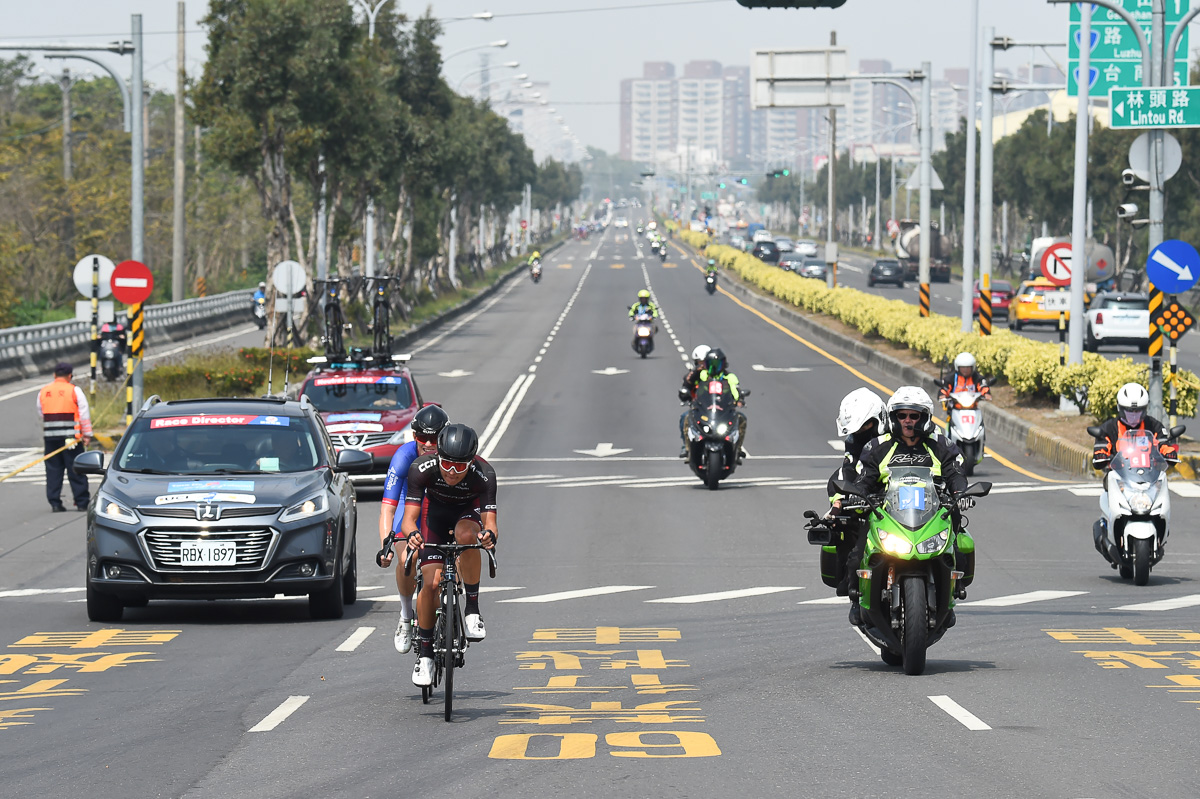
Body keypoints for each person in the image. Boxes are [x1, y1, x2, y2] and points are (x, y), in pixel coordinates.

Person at [850, 386, 967, 626]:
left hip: (932, 512)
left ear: (924, 418)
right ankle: (856, 596)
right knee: (858, 544)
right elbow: (863, 479)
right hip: (887, 513)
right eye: (902, 415)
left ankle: (954, 587)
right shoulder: (876, 447)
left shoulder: (942, 444)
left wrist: (960, 493)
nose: (908, 421)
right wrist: (858, 495)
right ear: (893, 418)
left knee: (959, 531)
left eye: (914, 416)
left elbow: (956, 474)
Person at [395, 424, 497, 688]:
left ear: (471, 462)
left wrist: (488, 536)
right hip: (434, 516)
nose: (452, 472)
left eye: (460, 467)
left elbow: (491, 524)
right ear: (438, 456)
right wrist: (413, 534)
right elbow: (409, 520)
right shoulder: (421, 468)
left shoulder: (484, 474)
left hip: (467, 513)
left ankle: (472, 609)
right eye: (447, 464)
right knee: (430, 583)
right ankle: (426, 655)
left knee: (467, 536)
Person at [378, 404, 449, 654]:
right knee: (409, 557)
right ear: (414, 436)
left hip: (442, 513)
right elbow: (388, 507)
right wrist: (386, 545)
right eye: (423, 438)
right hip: (411, 515)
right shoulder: (404, 456)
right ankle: (406, 617)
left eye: (435, 438)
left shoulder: (452, 453)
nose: (429, 444)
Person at [1090, 383, 1179, 559]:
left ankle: (1161, 531)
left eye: (1137, 411)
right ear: (1120, 409)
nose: (1133, 416)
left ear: (1144, 410)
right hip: (1120, 477)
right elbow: (1101, 446)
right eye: (1129, 411)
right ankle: (1109, 524)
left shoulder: (1154, 426)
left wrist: (1169, 452)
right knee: (1108, 487)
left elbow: (1163, 443)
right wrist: (1101, 454)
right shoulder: (1109, 428)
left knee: (1162, 489)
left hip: (1149, 476)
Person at [826, 388, 888, 598]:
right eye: (857, 429)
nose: (860, 432)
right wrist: (840, 504)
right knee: (844, 526)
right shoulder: (854, 441)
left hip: (902, 500)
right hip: (868, 498)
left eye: (865, 426)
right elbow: (847, 471)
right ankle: (853, 584)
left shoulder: (899, 437)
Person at [36, 363, 92, 512]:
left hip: (50, 438)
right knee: (76, 469)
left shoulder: (43, 391)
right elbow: (84, 415)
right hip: (71, 439)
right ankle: (81, 503)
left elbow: (41, 413)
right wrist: (87, 434)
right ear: (70, 376)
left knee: (53, 471)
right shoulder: (74, 390)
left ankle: (55, 503)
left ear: (54, 375)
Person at [677, 345, 712, 456]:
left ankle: (735, 447)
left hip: (718, 409)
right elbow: (685, 388)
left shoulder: (718, 375)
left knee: (737, 418)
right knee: (685, 417)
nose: (702, 365)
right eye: (700, 362)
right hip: (698, 409)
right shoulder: (691, 376)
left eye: (705, 362)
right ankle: (686, 446)